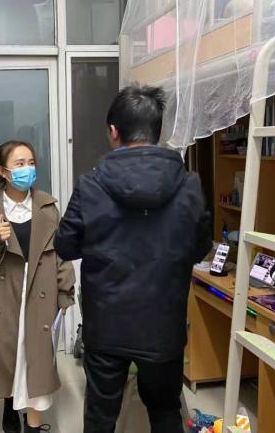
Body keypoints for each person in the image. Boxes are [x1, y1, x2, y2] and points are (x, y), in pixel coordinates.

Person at [54, 84, 212, 433]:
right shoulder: (189, 184)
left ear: (114, 131)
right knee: (165, 412)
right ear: (157, 131)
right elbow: (200, 248)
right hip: (164, 326)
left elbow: (64, 246)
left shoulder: (90, 185)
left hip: (106, 327)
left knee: (100, 417)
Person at [0, 140, 75, 433]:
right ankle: (9, 407)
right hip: (4, 296)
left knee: (36, 359)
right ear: (3, 171)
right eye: (19, 164)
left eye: (31, 162)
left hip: (40, 292)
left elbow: (61, 252)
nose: (27, 169)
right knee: (9, 354)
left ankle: (33, 426)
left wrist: (65, 293)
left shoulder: (47, 207)